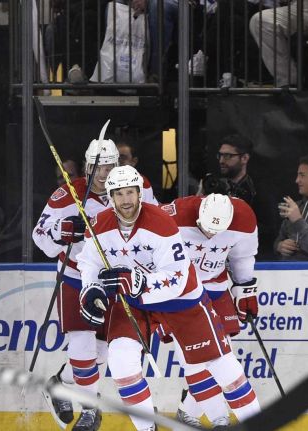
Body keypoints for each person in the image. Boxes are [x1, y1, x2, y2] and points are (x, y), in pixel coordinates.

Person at [76, 166, 261, 431]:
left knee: (221, 366)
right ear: (110, 197)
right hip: (134, 302)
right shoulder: (98, 226)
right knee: (120, 360)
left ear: (140, 193)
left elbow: (177, 278)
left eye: (130, 192)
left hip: (182, 300)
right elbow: (88, 263)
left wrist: (140, 283)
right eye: (119, 194)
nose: (126, 200)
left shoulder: (161, 223)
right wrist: (90, 289)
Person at [32, 132, 157, 431]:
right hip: (77, 277)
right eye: (97, 166)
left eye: (109, 165)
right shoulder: (66, 195)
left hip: (116, 281)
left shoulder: (138, 187)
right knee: (82, 348)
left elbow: (153, 223)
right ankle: (90, 410)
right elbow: (40, 237)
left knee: (101, 353)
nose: (103, 173)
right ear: (88, 167)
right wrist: (62, 231)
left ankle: (59, 384)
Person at [160, 193, 260, 427]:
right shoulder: (173, 214)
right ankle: (219, 419)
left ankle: (188, 412)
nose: (211, 235)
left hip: (215, 289)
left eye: (217, 231)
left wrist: (245, 289)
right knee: (196, 359)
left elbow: (242, 256)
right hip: (179, 294)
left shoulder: (244, 218)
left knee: (222, 358)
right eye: (206, 229)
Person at [212, 134, 277, 257]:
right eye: (220, 155)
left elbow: (269, 230)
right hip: (215, 257)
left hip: (251, 258)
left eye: (228, 156)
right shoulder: (216, 187)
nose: (221, 160)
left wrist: (234, 225)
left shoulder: (259, 190)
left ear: (245, 158)